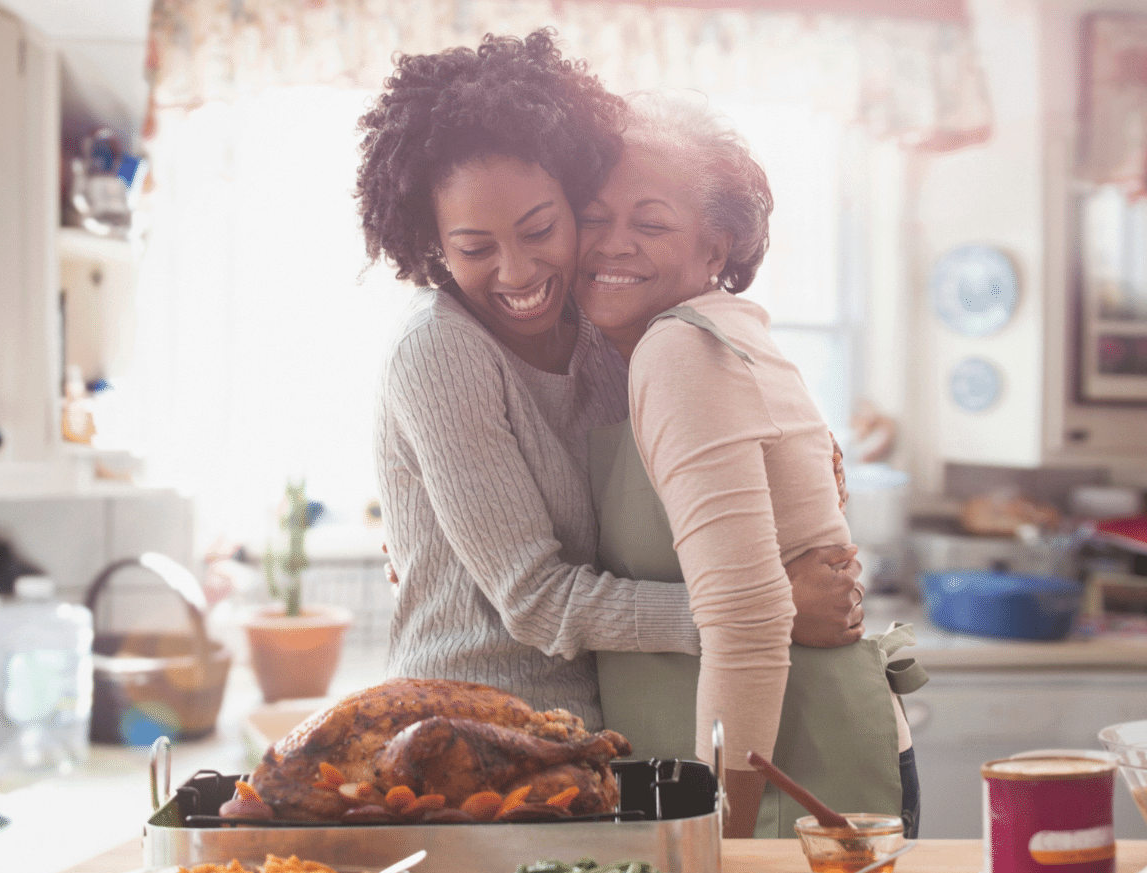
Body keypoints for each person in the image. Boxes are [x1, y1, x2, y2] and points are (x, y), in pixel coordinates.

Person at [357, 31, 865, 737]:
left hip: (602, 735)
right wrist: (763, 608)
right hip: (470, 736)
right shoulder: (439, 351)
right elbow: (533, 599)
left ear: (573, 202)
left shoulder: (606, 329)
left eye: (541, 229)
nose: (518, 272)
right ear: (431, 246)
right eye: (476, 248)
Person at [574, 92, 926, 839]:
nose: (612, 244)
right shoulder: (690, 342)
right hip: (793, 758)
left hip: (788, 778)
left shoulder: (681, 351)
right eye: (595, 218)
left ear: (716, 250)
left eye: (651, 223)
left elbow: (748, 621)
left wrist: (716, 837)